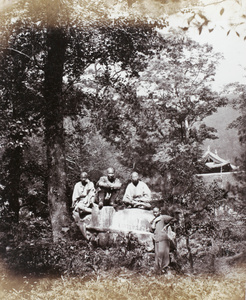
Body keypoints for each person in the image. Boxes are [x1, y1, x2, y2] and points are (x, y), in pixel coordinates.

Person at [150, 207, 174, 273]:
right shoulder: (153, 220)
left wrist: (166, 226)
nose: (155, 213)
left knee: (163, 254)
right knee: (158, 255)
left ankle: (165, 269)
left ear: (160, 211)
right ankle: (158, 271)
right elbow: (151, 229)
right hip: (157, 239)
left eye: (156, 212)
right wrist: (154, 222)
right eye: (154, 212)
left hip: (163, 239)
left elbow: (174, 219)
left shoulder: (163, 217)